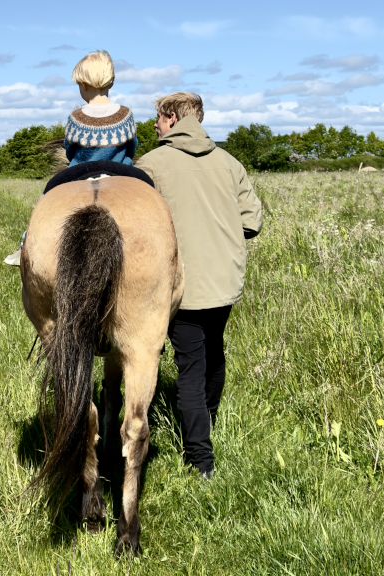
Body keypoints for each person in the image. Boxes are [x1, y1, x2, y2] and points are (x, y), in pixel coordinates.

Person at [134, 92, 263, 479]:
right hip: (224, 279)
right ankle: (206, 423)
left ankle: (200, 461)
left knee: (189, 367)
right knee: (213, 356)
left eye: (157, 118)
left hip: (181, 284)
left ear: (172, 117)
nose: (155, 125)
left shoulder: (151, 164)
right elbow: (252, 222)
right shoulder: (230, 163)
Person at [3, 50, 137, 266]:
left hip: (79, 172)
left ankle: (25, 245)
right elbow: (132, 147)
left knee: (45, 199)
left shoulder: (76, 118)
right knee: (152, 191)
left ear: (83, 85)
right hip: (122, 170)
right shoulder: (126, 114)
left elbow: (69, 150)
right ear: (111, 83)